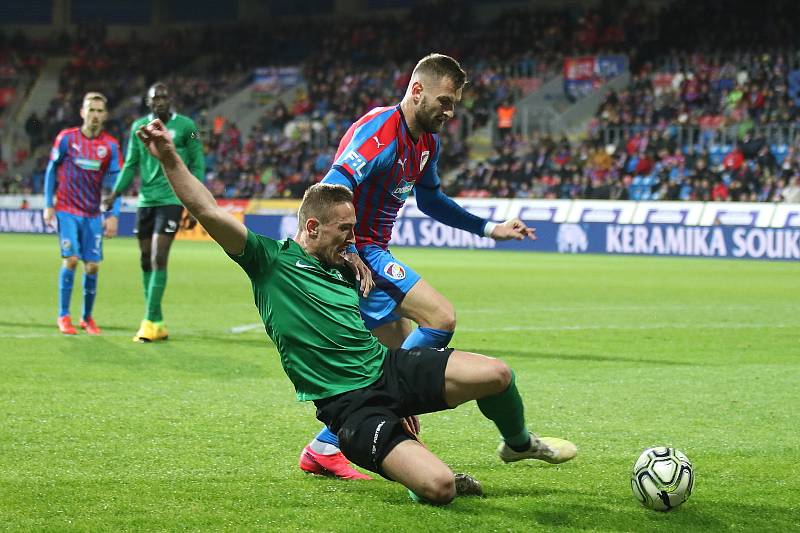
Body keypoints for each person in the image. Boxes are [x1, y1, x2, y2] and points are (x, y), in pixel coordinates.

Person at [136, 117, 577, 504]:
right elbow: (205, 207)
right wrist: (170, 156)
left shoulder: (348, 267)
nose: (352, 239)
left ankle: (517, 444)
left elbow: (392, 331)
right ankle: (365, 457)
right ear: (312, 226)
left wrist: (405, 390)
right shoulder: (268, 260)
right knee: (440, 487)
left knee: (497, 374)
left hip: (389, 371)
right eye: (345, 230)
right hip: (350, 409)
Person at [305, 53, 537, 478]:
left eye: (454, 104)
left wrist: (490, 229)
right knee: (440, 317)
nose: (449, 112)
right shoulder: (379, 132)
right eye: (444, 102)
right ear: (416, 91)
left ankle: (325, 447)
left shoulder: (427, 143)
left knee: (395, 351)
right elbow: (334, 185)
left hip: (373, 250)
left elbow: (431, 201)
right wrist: (350, 249)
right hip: (363, 251)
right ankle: (356, 432)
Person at [104, 82, 205, 342]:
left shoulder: (188, 128)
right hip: (145, 201)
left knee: (159, 257)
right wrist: (115, 193)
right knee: (145, 258)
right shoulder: (138, 127)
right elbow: (130, 164)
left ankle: (148, 321)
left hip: (172, 198)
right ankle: (157, 321)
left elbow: (198, 164)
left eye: (164, 96)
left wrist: (196, 203)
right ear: (148, 102)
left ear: (171, 99)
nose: (160, 100)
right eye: (155, 97)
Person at [43, 91, 122, 335]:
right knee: (72, 259)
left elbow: (117, 181)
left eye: (99, 111)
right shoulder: (66, 138)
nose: (95, 115)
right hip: (67, 209)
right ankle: (63, 316)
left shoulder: (110, 146)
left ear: (105, 115)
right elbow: (50, 170)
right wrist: (49, 204)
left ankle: (87, 318)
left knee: (92, 267)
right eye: (91, 110)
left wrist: (113, 214)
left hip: (92, 214)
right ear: (82, 112)